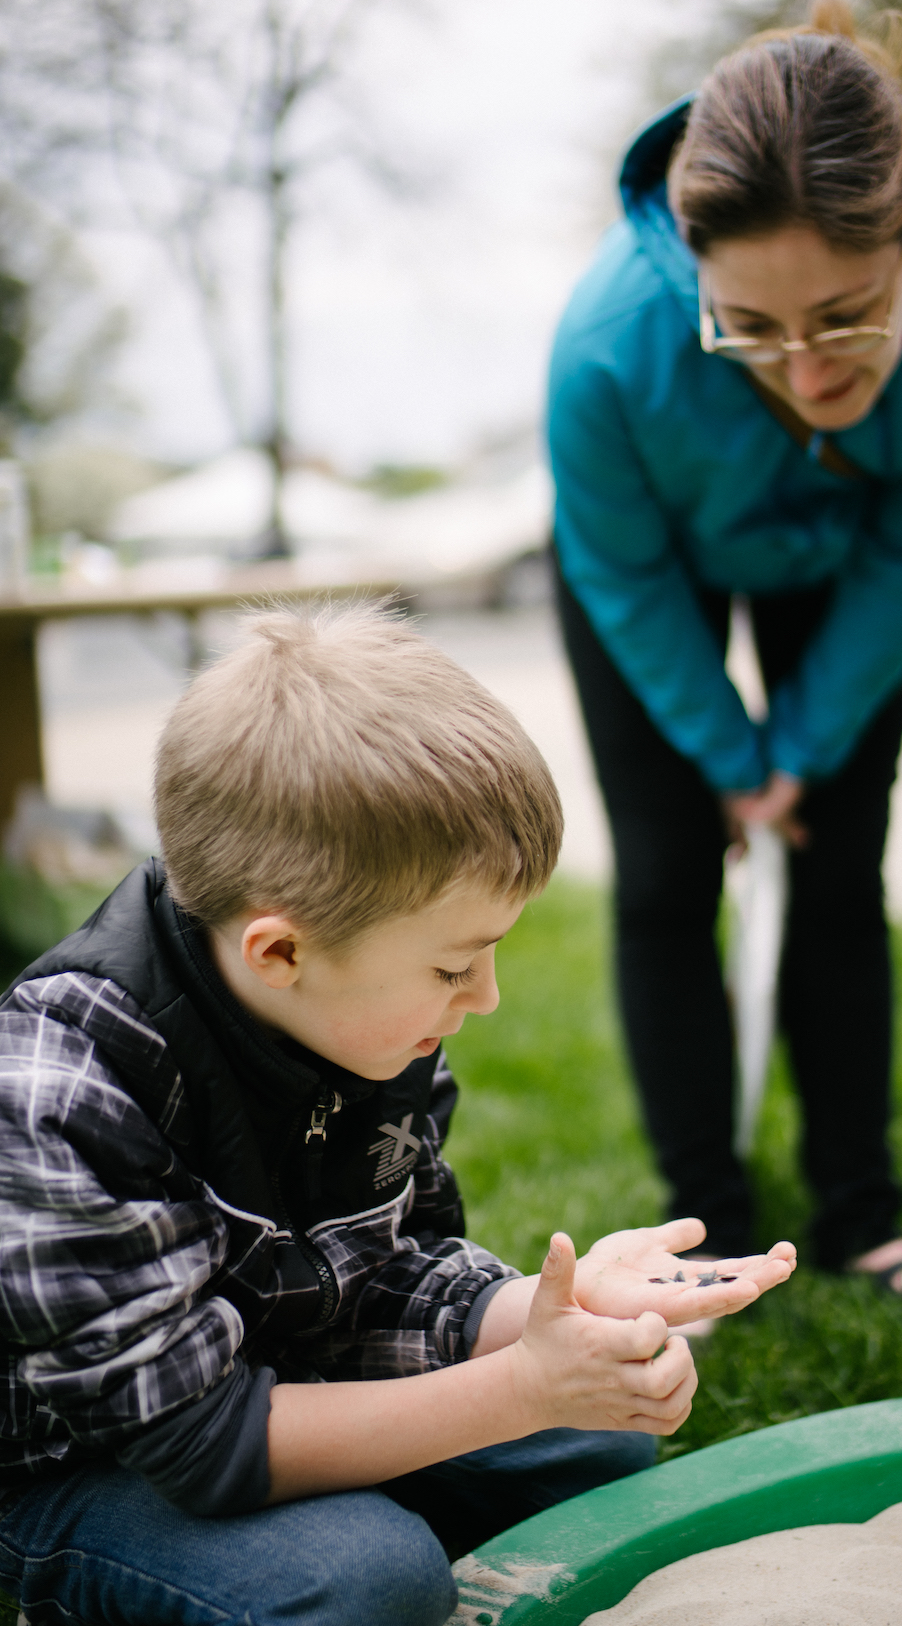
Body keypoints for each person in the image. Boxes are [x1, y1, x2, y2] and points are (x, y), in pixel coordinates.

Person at [0, 604, 796, 1626]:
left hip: (283, 1374)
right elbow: (199, 1444)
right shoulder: (67, 1087)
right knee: (371, 1575)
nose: (487, 996)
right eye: (454, 963)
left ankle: (349, 1509)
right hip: (84, 1462)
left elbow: (389, 1271)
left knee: (598, 1438)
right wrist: (522, 1390)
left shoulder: (367, 1017)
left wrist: (554, 1314)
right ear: (278, 951)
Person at [549, 0, 902, 1319]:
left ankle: (858, 1218)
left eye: (844, 317)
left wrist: (796, 756)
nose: (801, 368)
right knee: (667, 877)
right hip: (649, 575)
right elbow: (614, 567)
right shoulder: (606, 349)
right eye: (750, 327)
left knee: (836, 867)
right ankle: (705, 1227)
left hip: (848, 561)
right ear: (690, 259)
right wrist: (727, 759)